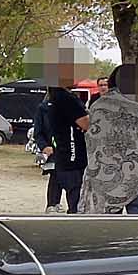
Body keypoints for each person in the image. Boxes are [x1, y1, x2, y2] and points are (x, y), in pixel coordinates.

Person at [84, 64, 138, 215]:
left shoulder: (97, 106)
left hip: (102, 174)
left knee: (106, 227)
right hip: (132, 178)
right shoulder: (137, 108)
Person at [34, 80, 90, 213]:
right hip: (72, 158)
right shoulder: (66, 99)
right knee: (77, 200)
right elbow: (87, 124)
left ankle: (61, 207)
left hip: (65, 158)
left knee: (74, 196)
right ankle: (53, 204)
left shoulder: (58, 98)